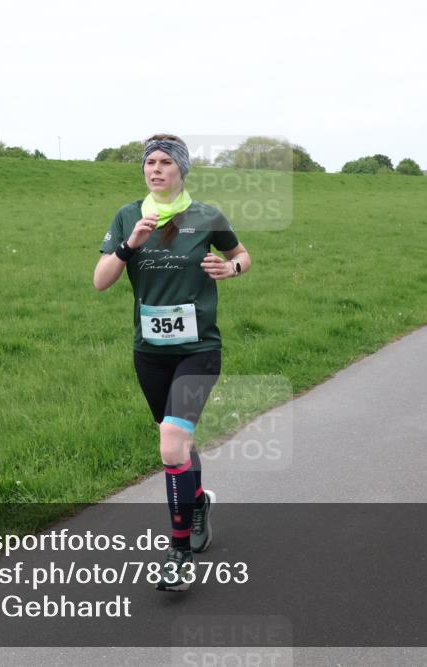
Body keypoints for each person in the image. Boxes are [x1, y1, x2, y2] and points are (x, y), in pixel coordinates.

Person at [94, 134, 251, 592]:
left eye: (165, 162)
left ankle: (178, 554)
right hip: (150, 352)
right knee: (178, 442)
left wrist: (232, 268)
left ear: (181, 170)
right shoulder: (128, 215)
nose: (155, 169)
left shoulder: (206, 215)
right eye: (150, 162)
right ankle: (197, 502)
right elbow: (101, 281)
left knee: (169, 442)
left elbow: (241, 254)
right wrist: (128, 245)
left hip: (199, 348)